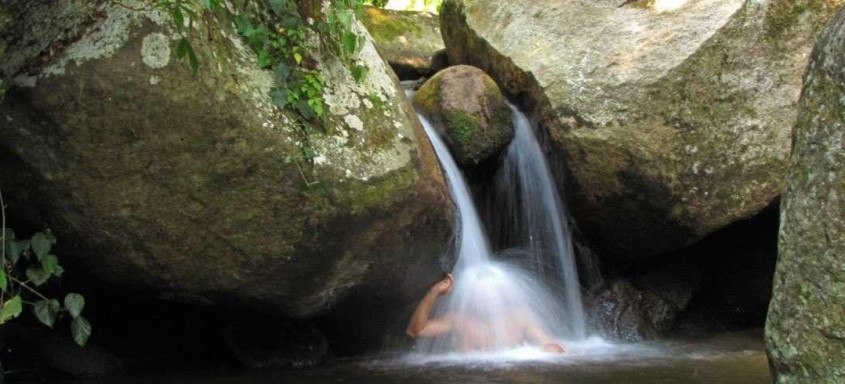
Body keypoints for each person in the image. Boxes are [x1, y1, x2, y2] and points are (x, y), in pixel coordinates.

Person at [406, 273, 566, 353]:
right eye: (478, 294)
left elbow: (549, 344)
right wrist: (434, 292)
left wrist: (550, 350)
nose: (485, 299)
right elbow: (415, 331)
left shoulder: (520, 316)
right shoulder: (459, 319)